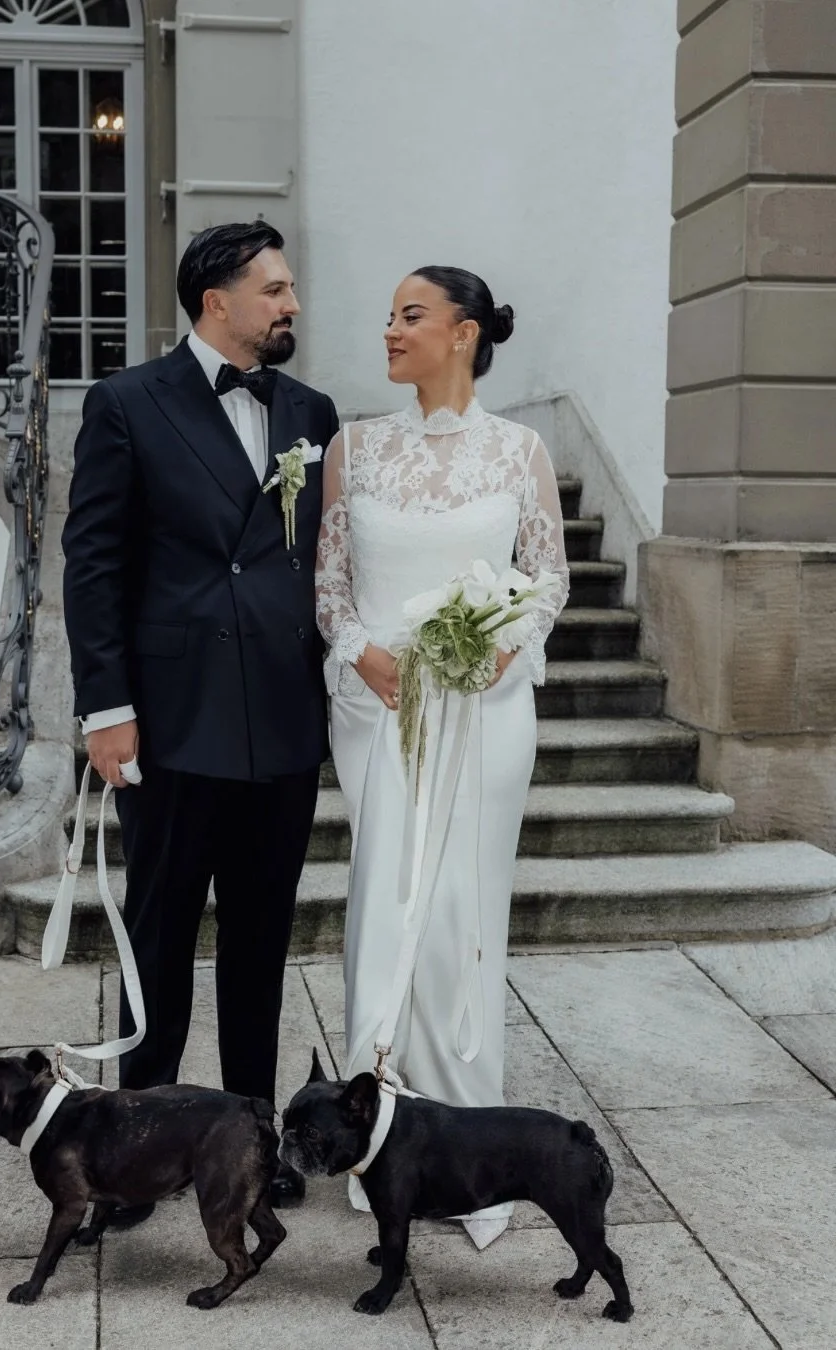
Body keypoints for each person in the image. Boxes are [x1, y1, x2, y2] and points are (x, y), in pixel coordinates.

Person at [62, 221, 339, 1212]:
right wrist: (106, 708)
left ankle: (252, 1144)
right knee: (161, 938)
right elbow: (92, 566)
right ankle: (137, 1151)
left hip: (280, 720)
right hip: (171, 723)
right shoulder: (128, 403)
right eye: (273, 289)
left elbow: (323, 562)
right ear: (215, 299)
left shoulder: (311, 409)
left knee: (262, 943)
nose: (290, 304)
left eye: (290, 288)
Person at [315, 266, 569, 1249]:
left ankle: (466, 1138)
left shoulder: (520, 450)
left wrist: (505, 645)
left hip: (485, 712)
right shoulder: (354, 447)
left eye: (409, 316)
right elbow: (331, 585)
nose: (389, 331)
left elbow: (544, 579)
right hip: (381, 712)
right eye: (386, 316)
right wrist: (359, 652)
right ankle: (377, 1120)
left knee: (463, 909)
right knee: (386, 902)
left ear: (462, 334)